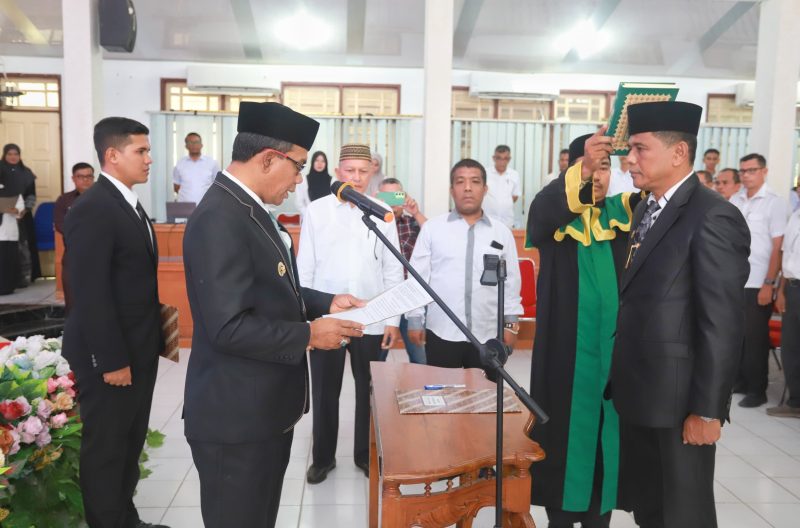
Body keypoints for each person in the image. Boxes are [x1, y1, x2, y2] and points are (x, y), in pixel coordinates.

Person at [182, 103, 365, 528]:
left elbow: (273, 290)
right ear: (268, 159)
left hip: (262, 413)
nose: (301, 178)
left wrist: (326, 302)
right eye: (298, 166)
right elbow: (228, 326)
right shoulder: (219, 217)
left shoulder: (247, 209)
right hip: (235, 421)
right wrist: (308, 335)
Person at [607, 101, 749, 528]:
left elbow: (721, 323)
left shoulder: (712, 215)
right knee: (651, 510)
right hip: (641, 395)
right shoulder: (645, 208)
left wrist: (707, 411)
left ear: (678, 153)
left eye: (639, 148)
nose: (629, 159)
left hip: (681, 402)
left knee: (684, 514)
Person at [526, 132, 643, 528]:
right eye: (587, 167)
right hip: (566, 360)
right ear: (571, 171)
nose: (597, 175)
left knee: (607, 445)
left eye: (604, 167)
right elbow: (544, 207)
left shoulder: (625, 216)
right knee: (562, 438)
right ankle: (559, 516)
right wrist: (587, 164)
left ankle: (601, 513)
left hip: (615, 359)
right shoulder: (554, 216)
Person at [62, 117, 167, 528]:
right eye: (140, 151)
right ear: (113, 154)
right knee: (106, 450)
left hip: (136, 349)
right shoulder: (93, 208)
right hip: (109, 356)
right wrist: (111, 360)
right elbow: (90, 294)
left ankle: (126, 519)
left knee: (128, 444)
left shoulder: (127, 202)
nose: (149, 159)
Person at [298, 144, 403, 483]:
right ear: (338, 172)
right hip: (326, 319)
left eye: (362, 172)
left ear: (372, 173)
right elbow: (306, 269)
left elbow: (392, 269)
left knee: (368, 391)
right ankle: (323, 458)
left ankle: (364, 454)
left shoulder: (383, 211)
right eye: (349, 171)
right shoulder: (316, 211)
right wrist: (308, 321)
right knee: (326, 391)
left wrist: (393, 320)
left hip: (372, 318)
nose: (356, 178)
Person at [406, 159, 522, 368]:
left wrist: (511, 326)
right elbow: (417, 278)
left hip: (488, 333)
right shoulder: (433, 229)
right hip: (441, 330)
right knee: (441, 396)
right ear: (452, 190)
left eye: (475, 181)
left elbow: (512, 283)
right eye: (460, 182)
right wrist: (415, 319)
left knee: (485, 398)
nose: (468, 188)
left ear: (485, 189)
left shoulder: (501, 232)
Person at [730, 153, 787, 407]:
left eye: (751, 170)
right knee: (736, 335)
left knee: (755, 339)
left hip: (758, 281)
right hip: (734, 280)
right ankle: (741, 380)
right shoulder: (736, 199)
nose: (746, 175)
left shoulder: (775, 202)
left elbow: (778, 246)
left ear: (763, 172)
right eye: (743, 171)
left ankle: (757, 389)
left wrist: (769, 283)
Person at [376, 177, 427, 364]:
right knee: (375, 360)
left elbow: (435, 236)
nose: (391, 202)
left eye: (395, 196)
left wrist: (416, 212)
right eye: (385, 197)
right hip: (382, 301)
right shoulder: (371, 225)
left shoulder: (412, 223)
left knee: (420, 360)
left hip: (410, 300)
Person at [771, 205, 800, 418]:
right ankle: (795, 401)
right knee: (790, 348)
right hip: (791, 286)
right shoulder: (795, 216)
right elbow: (785, 255)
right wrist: (781, 290)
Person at [0, 143, 39, 286]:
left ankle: (23, 279)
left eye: (16, 154)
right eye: (9, 154)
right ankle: (6, 280)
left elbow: (31, 194)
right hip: (2, 216)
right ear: (4, 155)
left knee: (23, 246)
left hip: (22, 215)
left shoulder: (26, 172)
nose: (13, 157)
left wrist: (25, 209)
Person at [172, 132, 219, 204]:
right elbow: (176, 187)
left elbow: (216, 185)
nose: (194, 145)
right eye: (190, 142)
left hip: (205, 206)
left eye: (196, 142)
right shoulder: (179, 164)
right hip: (185, 207)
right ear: (186, 146)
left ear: (201, 145)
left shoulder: (212, 163)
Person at [483, 145, 521, 228]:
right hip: (488, 219)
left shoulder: (514, 174)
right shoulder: (485, 173)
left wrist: (504, 203)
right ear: (494, 158)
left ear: (509, 159)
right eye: (499, 158)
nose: (502, 162)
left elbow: (515, 195)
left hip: (507, 220)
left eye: (505, 158)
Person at [54, 162, 95, 234]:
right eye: (80, 176)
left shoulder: (104, 198)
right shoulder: (64, 199)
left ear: (93, 178)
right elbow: (59, 224)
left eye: (89, 176)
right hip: (73, 240)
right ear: (73, 179)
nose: (85, 180)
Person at [0, 183, 23, 296]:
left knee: (7, 261)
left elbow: (20, 211)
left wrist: (13, 210)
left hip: (8, 232)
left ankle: (7, 288)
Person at [294, 150, 331, 216]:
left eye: (323, 161)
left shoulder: (332, 181)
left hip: (328, 218)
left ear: (326, 163)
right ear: (312, 162)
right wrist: (310, 215)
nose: (320, 164)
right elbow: (299, 203)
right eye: (317, 160)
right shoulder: (303, 180)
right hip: (309, 217)